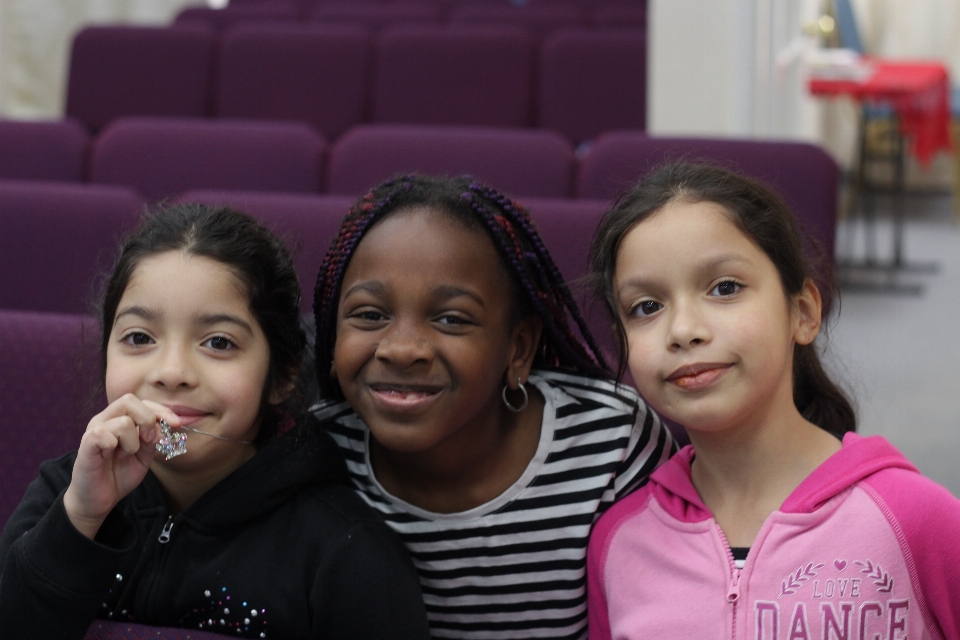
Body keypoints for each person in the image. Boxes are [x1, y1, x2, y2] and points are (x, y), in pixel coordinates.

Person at [0, 204, 430, 640]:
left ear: (282, 374)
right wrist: (80, 518)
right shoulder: (64, 492)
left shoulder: (346, 552)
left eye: (219, 343)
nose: (171, 372)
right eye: (139, 338)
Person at [585, 162, 960, 639]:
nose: (682, 331)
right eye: (647, 307)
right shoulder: (619, 541)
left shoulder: (913, 518)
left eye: (725, 288)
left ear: (802, 313)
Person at [310, 174, 675, 640]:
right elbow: (184, 462)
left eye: (450, 319)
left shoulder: (610, 440)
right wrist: (179, 440)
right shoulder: (312, 453)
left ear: (518, 349)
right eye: (369, 314)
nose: (402, 349)